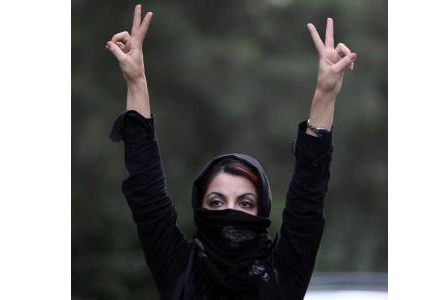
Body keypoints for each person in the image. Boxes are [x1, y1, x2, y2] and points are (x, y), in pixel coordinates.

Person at [106, 4, 357, 299]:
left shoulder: (283, 273)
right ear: (200, 206)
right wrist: (136, 81)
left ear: (261, 209)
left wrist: (325, 94)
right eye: (216, 202)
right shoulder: (179, 269)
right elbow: (147, 194)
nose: (230, 212)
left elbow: (308, 198)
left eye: (245, 203)